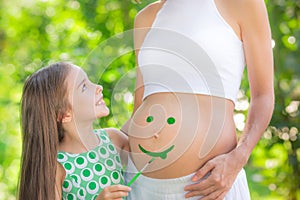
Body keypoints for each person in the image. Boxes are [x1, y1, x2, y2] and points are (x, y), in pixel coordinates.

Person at [122, 0, 274, 199]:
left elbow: (263, 97)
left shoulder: (242, 3)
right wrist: (84, 146)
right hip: (140, 185)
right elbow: (140, 106)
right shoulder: (146, 17)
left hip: (210, 185)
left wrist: (239, 157)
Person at [18, 62, 131, 200]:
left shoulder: (113, 139)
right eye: (84, 87)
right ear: (64, 114)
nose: (98, 87)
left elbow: (148, 157)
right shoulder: (56, 168)